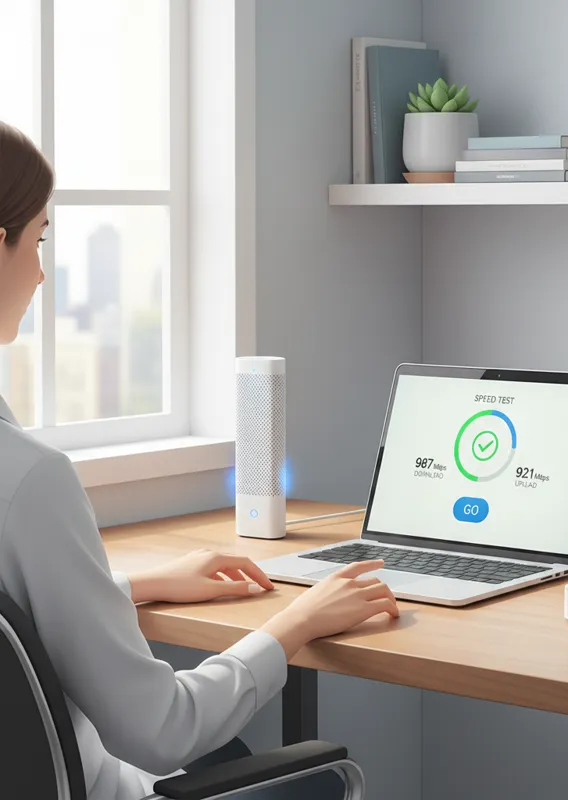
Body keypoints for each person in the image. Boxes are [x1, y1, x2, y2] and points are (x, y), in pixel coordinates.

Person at [0, 121, 399, 800]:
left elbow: (24, 631)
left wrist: (138, 584)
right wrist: (299, 620)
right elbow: (162, 729)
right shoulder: (31, 479)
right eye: (37, 239)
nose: (41, 272)